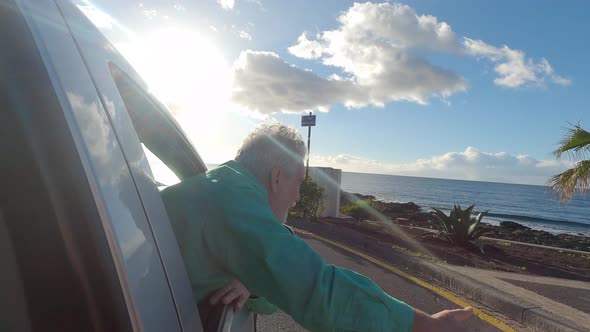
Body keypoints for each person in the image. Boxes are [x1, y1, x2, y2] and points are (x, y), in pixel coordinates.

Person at [161, 123, 473, 332]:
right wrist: (426, 324)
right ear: (278, 177)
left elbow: (279, 283)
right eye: (298, 183)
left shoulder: (216, 191)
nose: (297, 198)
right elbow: (319, 290)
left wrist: (252, 279)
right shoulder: (230, 203)